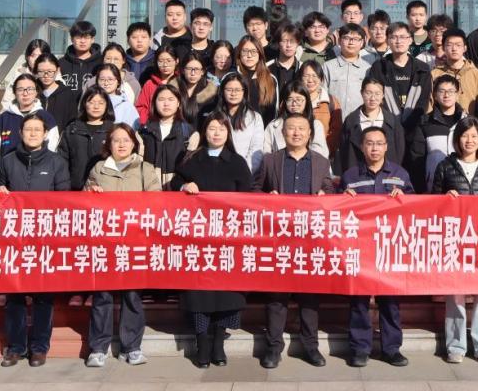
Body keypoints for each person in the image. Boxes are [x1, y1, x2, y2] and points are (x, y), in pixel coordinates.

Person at [172, 111, 254, 367]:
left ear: (228, 133)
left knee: (227, 294)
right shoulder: (191, 159)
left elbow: (248, 197)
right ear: (204, 132)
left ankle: (218, 343)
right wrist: (184, 187)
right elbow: (175, 182)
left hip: (228, 240)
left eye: (221, 128)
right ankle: (202, 343)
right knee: (199, 293)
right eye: (211, 128)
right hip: (197, 240)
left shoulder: (237, 162)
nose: (216, 133)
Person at [255, 114, 335, 369]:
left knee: (310, 296)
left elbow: (331, 192)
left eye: (302, 129)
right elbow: (254, 191)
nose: (296, 133)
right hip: (279, 239)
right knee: (276, 297)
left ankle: (310, 346)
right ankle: (273, 347)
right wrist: (267, 197)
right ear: (283, 133)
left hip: (310, 240)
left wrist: (324, 195)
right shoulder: (271, 160)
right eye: (291, 128)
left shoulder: (321, 162)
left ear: (310, 133)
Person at [0, 112, 70, 368]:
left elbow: (64, 198)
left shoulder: (57, 162)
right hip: (14, 238)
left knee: (43, 296)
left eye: (38, 129)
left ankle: (39, 348)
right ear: (20, 133)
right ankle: (15, 347)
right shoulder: (7, 160)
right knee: (14, 295)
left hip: (45, 238)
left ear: (46, 134)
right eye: (28, 129)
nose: (33, 133)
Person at [84, 123, 161, 368]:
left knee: (132, 296)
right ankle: (98, 348)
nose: (121, 144)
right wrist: (90, 192)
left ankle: (132, 347)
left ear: (134, 144)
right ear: (109, 144)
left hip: (134, 242)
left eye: (126, 140)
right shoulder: (99, 168)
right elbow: (84, 201)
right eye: (116, 140)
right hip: (105, 243)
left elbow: (157, 203)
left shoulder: (145, 169)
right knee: (102, 296)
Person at [340, 125, 413, 368]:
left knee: (390, 301)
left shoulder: (400, 174)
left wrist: (404, 198)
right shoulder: (350, 176)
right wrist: (344, 199)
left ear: (386, 147)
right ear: (362, 147)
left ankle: (391, 349)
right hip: (359, 248)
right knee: (359, 301)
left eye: (379, 143)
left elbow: (416, 207)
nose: (374, 148)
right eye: (369, 143)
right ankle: (360, 348)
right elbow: (337, 212)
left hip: (389, 248)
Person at [431, 117, 478, 365]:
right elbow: (432, 200)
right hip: (454, 236)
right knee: (456, 291)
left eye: (474, 136)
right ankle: (456, 345)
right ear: (457, 139)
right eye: (464, 135)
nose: (469, 141)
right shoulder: (445, 166)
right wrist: (444, 198)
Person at [0, 73, 60, 179]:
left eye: (30, 89)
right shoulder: (4, 118)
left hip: (38, 175)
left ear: (36, 92)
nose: (25, 93)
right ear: (15, 92)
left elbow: (52, 148)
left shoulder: (46, 118)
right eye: (20, 89)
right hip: (7, 175)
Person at [366, 21, 431, 141]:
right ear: (387, 40)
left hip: (415, 130)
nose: (398, 41)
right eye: (393, 37)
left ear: (410, 40)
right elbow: (376, 99)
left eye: (402, 37)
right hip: (387, 129)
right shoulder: (379, 67)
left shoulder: (422, 68)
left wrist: (410, 125)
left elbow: (423, 101)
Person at [334, 78, 405, 175]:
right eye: (368, 93)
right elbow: (344, 152)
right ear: (362, 93)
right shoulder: (351, 121)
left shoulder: (393, 121)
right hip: (357, 176)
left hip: (387, 176)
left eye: (377, 94)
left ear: (383, 95)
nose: (373, 98)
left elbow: (399, 151)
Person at [139, 83, 197, 187]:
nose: (166, 104)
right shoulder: (144, 132)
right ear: (154, 103)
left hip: (177, 189)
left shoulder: (189, 133)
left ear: (178, 103)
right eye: (161, 99)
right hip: (150, 188)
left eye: (171, 99)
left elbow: (192, 168)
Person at [59, 87, 116, 191]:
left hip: (105, 188)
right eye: (91, 102)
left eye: (101, 103)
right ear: (84, 104)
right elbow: (62, 160)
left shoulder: (113, 130)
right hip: (75, 187)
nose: (96, 106)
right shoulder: (72, 129)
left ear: (107, 105)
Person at [416, 76, 466, 191]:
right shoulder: (425, 122)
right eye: (442, 91)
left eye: (451, 91)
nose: (446, 95)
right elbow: (417, 158)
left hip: (462, 187)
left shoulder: (467, 122)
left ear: (457, 94)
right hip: (433, 186)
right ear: (435, 95)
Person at [214, 73, 265, 177]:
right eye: (229, 90)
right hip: (218, 173)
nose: (233, 93)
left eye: (237, 90)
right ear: (222, 91)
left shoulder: (255, 118)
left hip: (245, 173)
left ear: (244, 92)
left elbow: (256, 149)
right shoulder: (214, 117)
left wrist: (243, 172)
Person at [262, 81, 329, 158]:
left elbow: (320, 154)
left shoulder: (316, 125)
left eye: (299, 99)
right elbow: (265, 154)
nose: (294, 104)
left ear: (306, 101)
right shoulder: (273, 126)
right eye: (290, 100)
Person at [430, 28, 478, 114]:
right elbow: (430, 104)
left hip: (469, 121)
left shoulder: (475, 74)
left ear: (465, 48)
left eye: (458, 45)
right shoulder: (435, 74)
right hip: (441, 121)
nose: (454, 48)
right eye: (449, 45)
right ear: (443, 48)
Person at [323, 23, 372, 115]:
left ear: (362, 42)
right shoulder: (327, 67)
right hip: (334, 119)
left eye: (356, 39)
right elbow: (322, 97)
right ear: (339, 41)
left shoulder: (368, 68)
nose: (351, 42)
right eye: (346, 38)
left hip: (359, 119)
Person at [297, 60, 342, 154]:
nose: (310, 80)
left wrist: (325, 153)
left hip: (322, 155)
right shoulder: (293, 100)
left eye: (314, 76)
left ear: (321, 79)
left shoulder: (331, 102)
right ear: (300, 78)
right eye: (306, 76)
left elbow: (335, 132)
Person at [236, 35, 279, 125]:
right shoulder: (233, 78)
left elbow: (274, 113)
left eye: (253, 51)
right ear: (239, 53)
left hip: (263, 131)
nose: (249, 55)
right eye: (245, 51)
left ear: (260, 53)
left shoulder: (270, 79)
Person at [1, 38, 52, 111]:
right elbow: (7, 101)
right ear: (27, 57)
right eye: (33, 55)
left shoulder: (54, 72)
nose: (36, 59)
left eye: (40, 56)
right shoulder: (20, 73)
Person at [135, 45, 181, 123]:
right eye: (161, 61)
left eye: (169, 61)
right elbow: (141, 107)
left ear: (176, 61)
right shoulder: (150, 84)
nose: (165, 65)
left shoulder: (181, 83)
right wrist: (149, 122)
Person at [35, 52, 78, 130]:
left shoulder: (67, 94)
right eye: (41, 71)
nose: (46, 75)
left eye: (50, 71)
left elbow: (72, 122)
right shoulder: (32, 92)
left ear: (57, 70)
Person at [92, 63, 140, 128]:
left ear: (118, 81)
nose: (106, 83)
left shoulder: (126, 106)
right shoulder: (90, 102)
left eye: (110, 79)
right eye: (102, 79)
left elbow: (133, 129)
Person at [60, 20, 102, 94]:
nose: (82, 41)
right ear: (72, 39)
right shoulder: (61, 63)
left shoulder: (101, 62)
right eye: (78, 37)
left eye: (86, 37)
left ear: (92, 39)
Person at [175, 54, 218, 125]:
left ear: (202, 71)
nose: (192, 73)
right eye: (189, 69)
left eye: (197, 69)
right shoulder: (174, 90)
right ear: (183, 70)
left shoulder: (210, 94)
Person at [266, 23, 302, 102]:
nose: (288, 45)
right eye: (284, 41)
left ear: (297, 44)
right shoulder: (267, 68)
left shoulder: (303, 68)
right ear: (278, 44)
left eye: (292, 41)